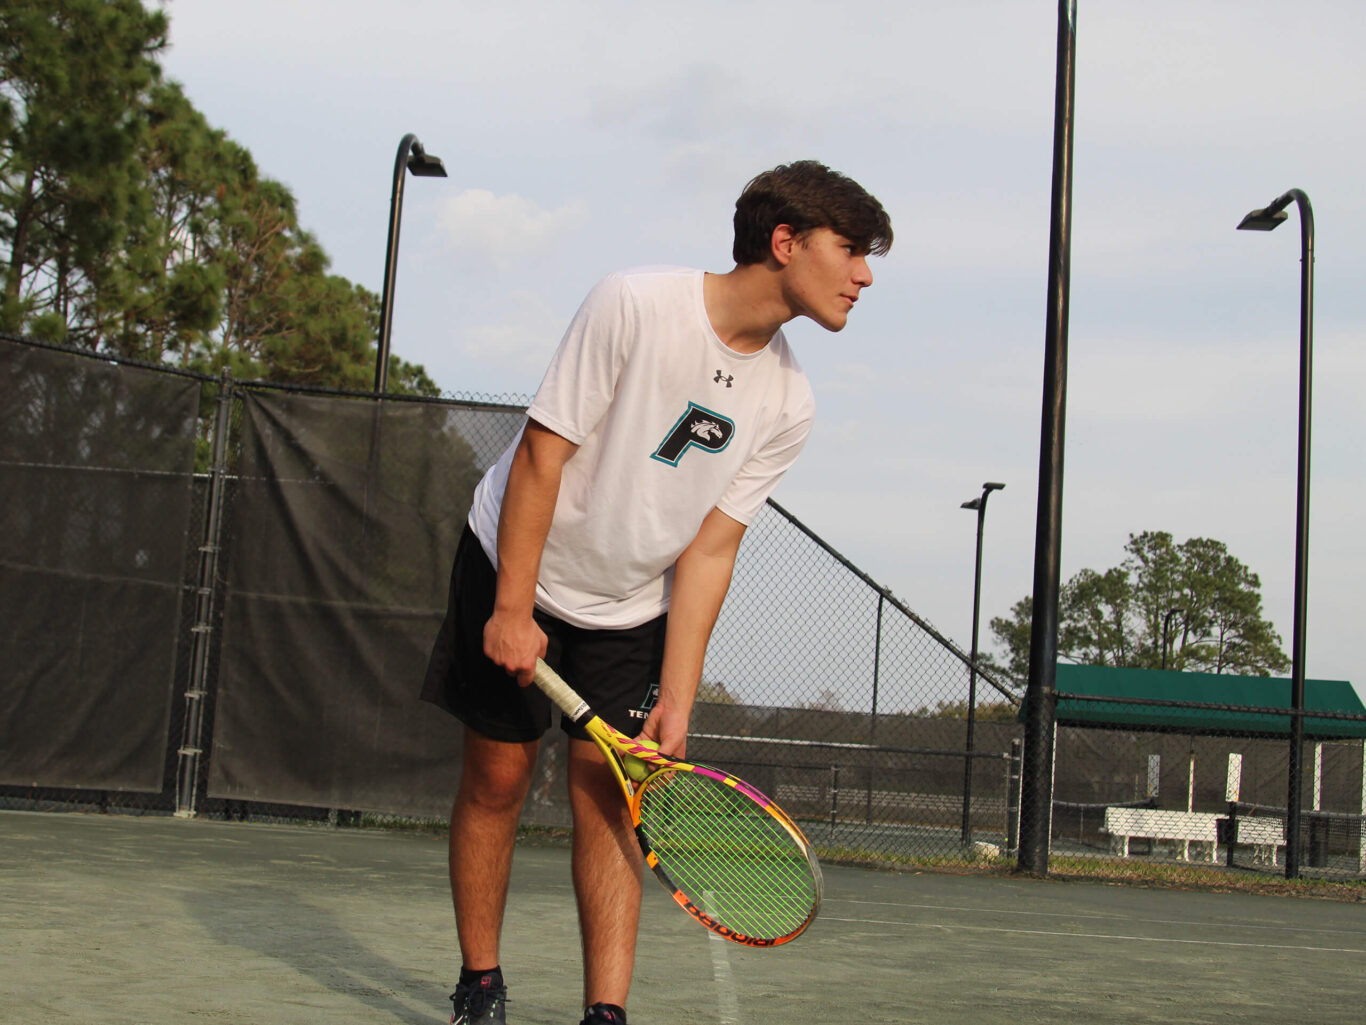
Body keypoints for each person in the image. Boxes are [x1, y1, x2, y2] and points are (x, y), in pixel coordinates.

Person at [421, 160, 892, 1025]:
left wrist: (679, 698)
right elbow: (541, 455)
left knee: (610, 792)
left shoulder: (790, 401)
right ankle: (479, 983)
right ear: (784, 243)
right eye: (852, 249)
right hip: (514, 558)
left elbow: (711, 549)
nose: (865, 275)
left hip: (632, 604)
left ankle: (606, 1013)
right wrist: (514, 607)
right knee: (496, 777)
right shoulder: (634, 303)